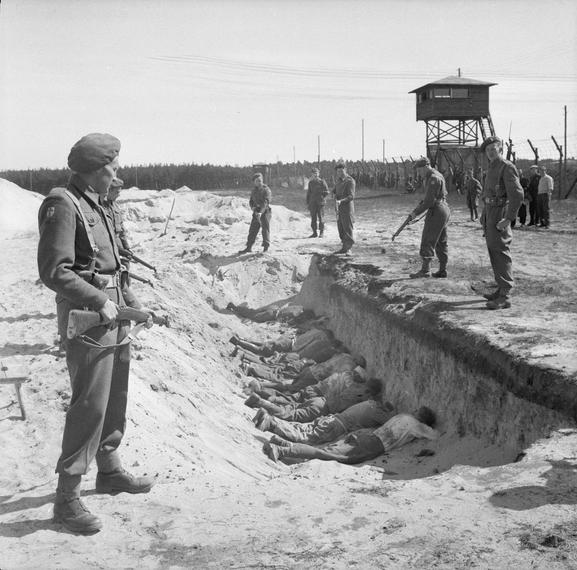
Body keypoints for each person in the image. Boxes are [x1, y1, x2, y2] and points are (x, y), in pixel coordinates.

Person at [37, 133, 154, 535]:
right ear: (94, 168)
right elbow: (55, 271)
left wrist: (128, 300)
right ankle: (67, 498)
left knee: (114, 393)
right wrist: (98, 301)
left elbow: (111, 263)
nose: (117, 173)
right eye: (113, 167)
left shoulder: (97, 204)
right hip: (89, 319)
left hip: (113, 312)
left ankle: (108, 469)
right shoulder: (63, 205)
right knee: (90, 403)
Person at [263, 407, 438, 464]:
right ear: (423, 420)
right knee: (325, 454)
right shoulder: (416, 425)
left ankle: (280, 442)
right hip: (373, 445)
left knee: (326, 450)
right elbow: (435, 436)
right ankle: (281, 450)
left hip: (366, 435)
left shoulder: (402, 416)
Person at [478, 136, 524, 310]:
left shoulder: (506, 167)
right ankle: (500, 288)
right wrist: (484, 214)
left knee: (501, 251)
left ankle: (505, 295)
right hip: (490, 211)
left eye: (493, 149)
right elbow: (487, 193)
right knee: (493, 250)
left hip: (500, 213)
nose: (490, 153)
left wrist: (508, 218)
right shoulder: (491, 167)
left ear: (500, 149)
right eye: (487, 150)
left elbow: (517, 195)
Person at [245, 368, 381, 423]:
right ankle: (260, 402)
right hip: (322, 407)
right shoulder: (363, 395)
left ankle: (260, 394)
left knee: (289, 402)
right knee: (291, 415)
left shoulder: (352, 383)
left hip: (320, 399)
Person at [254, 399, 396, 445]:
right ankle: (271, 423)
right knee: (306, 438)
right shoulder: (378, 413)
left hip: (330, 418)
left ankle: (268, 415)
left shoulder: (369, 402)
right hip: (336, 426)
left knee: (301, 428)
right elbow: (391, 423)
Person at [408, 157, 451, 279]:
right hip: (443, 208)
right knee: (441, 241)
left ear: (426, 166)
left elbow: (428, 202)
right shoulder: (437, 175)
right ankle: (443, 270)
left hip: (437, 210)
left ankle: (425, 270)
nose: (419, 173)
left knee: (428, 238)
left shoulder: (433, 178)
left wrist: (415, 213)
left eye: (420, 170)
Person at [238, 172, 272, 254]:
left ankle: (266, 248)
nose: (259, 182)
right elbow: (251, 201)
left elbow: (266, 202)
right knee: (253, 229)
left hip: (265, 212)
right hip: (256, 211)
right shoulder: (254, 190)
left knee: (265, 229)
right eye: (257, 181)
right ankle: (249, 247)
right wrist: (252, 207)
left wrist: (261, 212)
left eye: (260, 180)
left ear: (262, 181)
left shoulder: (266, 190)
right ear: (254, 182)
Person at [332, 161, 356, 254]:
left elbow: (351, 196)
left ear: (345, 170)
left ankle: (348, 249)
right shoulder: (338, 180)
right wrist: (333, 194)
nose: (340, 173)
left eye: (341, 171)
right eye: (338, 172)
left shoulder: (350, 181)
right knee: (340, 228)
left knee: (347, 229)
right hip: (338, 209)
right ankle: (344, 247)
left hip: (347, 209)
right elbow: (334, 190)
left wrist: (341, 201)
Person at [306, 167, 329, 237]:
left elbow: (327, 191)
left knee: (321, 218)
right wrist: (308, 203)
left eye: (316, 173)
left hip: (320, 203)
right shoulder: (310, 183)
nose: (315, 175)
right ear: (311, 175)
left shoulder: (322, 182)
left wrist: (321, 197)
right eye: (313, 173)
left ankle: (321, 233)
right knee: (313, 218)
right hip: (313, 203)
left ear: (318, 174)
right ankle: (314, 233)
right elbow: (309, 193)